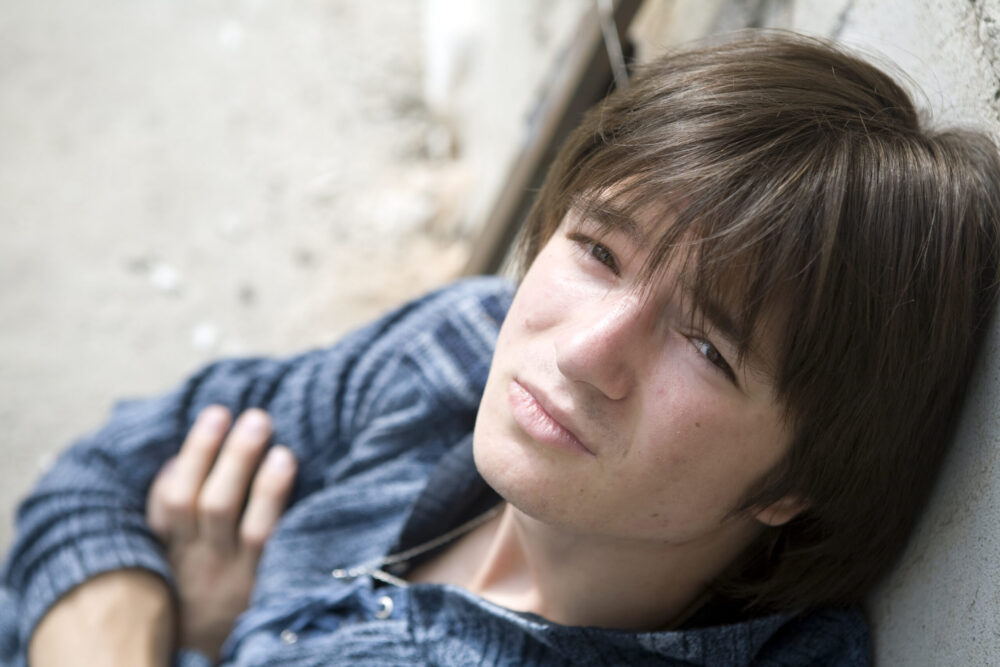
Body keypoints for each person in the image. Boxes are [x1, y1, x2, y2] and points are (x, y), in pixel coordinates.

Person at [4, 30, 1000, 666]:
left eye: (707, 347)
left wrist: (206, 631)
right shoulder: (457, 350)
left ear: (801, 476)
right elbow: (93, 483)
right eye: (599, 250)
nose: (585, 350)